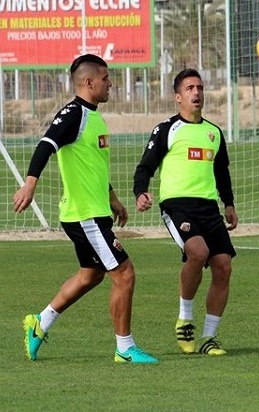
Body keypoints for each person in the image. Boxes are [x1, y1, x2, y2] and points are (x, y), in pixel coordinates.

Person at [13, 54, 157, 364]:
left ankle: (40, 323)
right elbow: (45, 144)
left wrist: (113, 198)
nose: (110, 83)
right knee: (124, 273)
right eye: (106, 78)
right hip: (84, 215)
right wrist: (30, 183)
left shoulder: (94, 116)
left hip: (94, 211)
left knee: (91, 275)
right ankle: (125, 348)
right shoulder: (73, 113)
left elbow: (92, 166)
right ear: (88, 82)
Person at [133, 68, 237, 356]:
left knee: (224, 266)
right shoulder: (166, 129)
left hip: (208, 207)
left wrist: (228, 203)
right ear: (178, 97)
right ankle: (185, 318)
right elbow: (145, 167)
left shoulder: (214, 133)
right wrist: (140, 192)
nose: (197, 93)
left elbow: (221, 172)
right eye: (190, 88)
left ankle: (208, 338)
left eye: (200, 88)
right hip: (177, 206)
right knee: (198, 251)